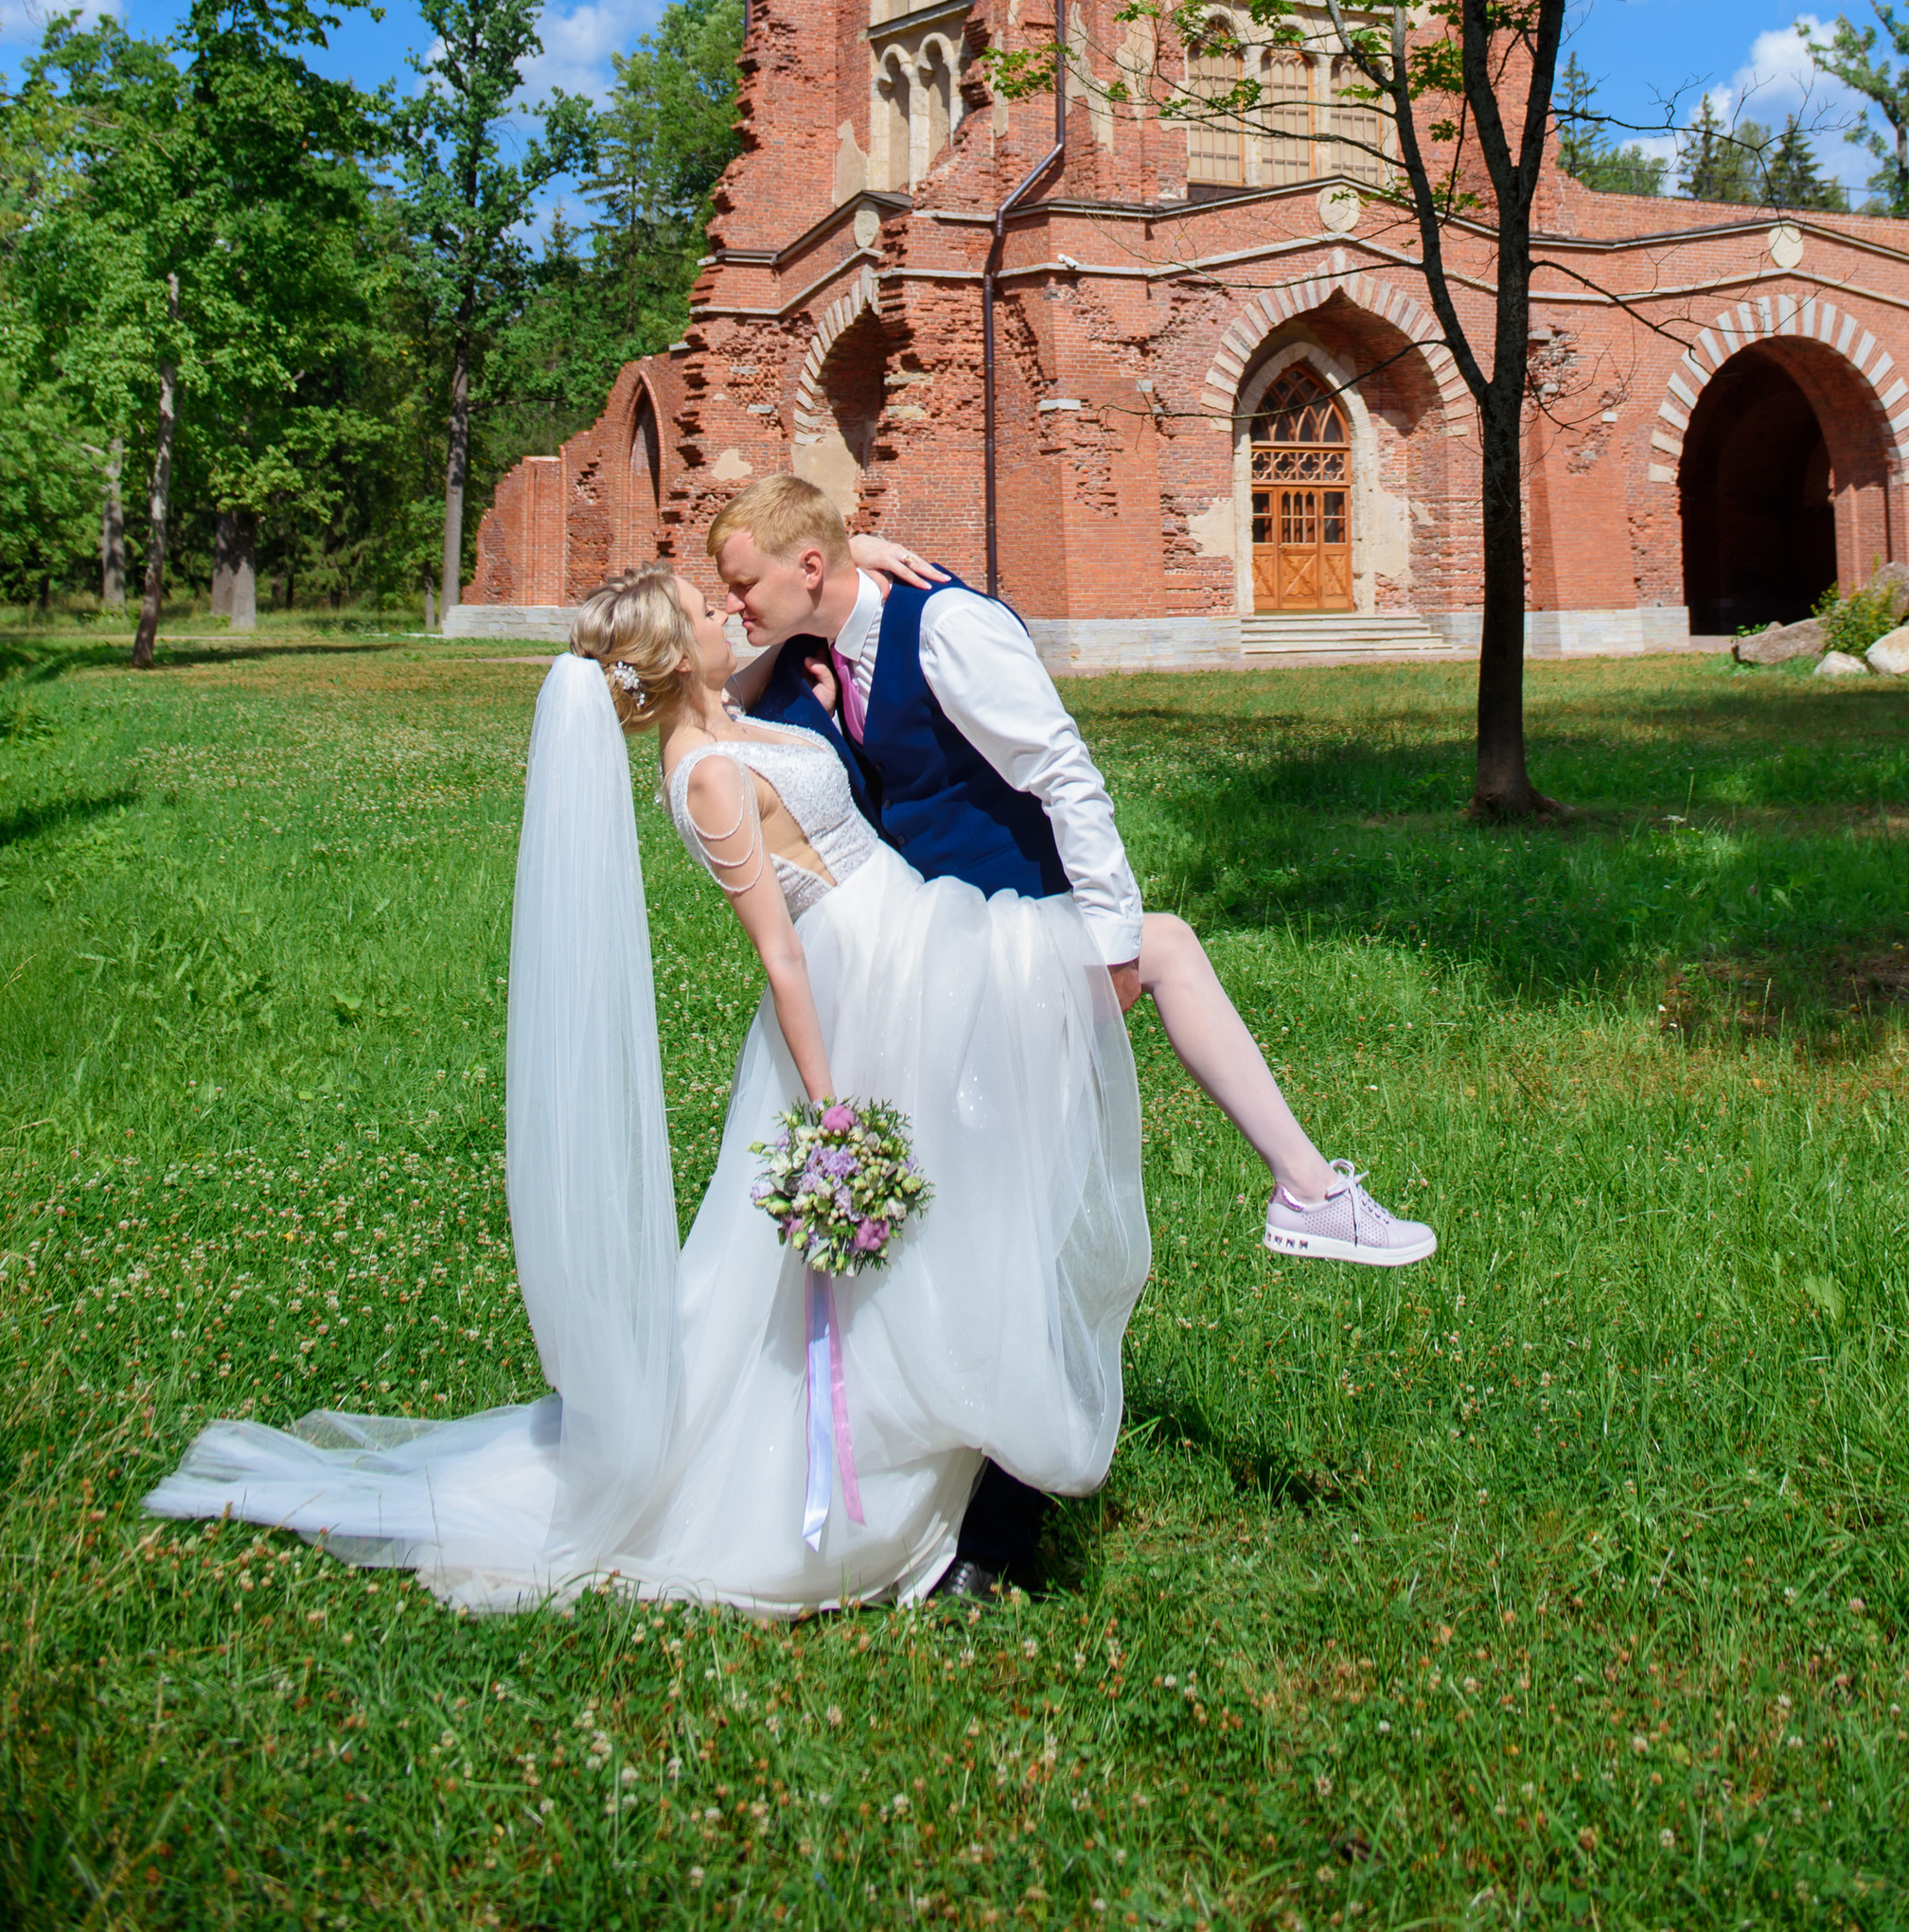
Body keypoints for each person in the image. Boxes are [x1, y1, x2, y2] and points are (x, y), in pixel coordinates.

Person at [144, 561, 1147, 1617]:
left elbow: (802, 601)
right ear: (674, 656)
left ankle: (979, 1449)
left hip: (910, 946)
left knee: (975, 1191)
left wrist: (866, 545)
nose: (728, 615)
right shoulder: (705, 771)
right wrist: (829, 1104)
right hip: (848, 1001)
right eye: (707, 612)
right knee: (900, 1237)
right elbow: (779, 952)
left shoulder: (728, 706)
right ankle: (926, 1475)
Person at [704, 471, 1436, 1592]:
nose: (731, 602)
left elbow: (1064, 774)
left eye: (744, 581)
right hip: (918, 967)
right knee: (983, 1220)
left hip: (1012, 942)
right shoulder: (801, 666)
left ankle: (992, 1535)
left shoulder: (943, 625)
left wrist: (1105, 936)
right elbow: (705, 678)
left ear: (806, 567)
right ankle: (1299, 1190)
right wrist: (830, 571)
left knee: (1035, 1199)